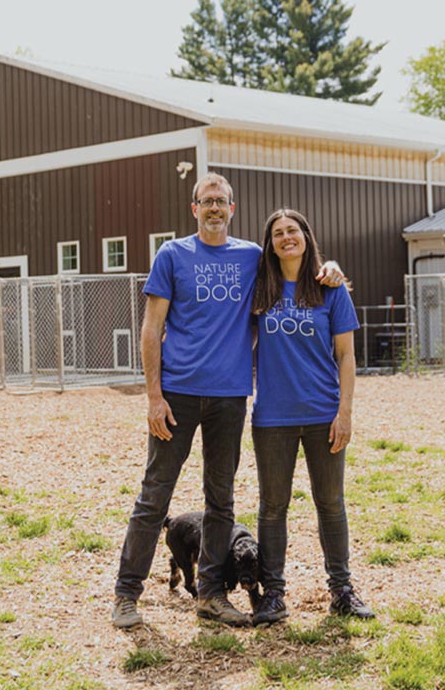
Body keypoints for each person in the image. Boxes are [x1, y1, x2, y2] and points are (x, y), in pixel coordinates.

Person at [111, 174, 342, 629]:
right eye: (206, 201)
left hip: (230, 397)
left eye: (222, 201)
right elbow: (151, 328)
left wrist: (330, 266)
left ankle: (211, 594)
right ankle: (126, 593)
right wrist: (153, 396)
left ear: (233, 209)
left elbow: (296, 263)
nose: (214, 208)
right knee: (155, 495)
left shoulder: (252, 258)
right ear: (193, 208)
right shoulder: (172, 255)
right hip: (177, 395)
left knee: (221, 501)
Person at [248, 208, 375, 625]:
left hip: (324, 414)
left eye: (293, 230)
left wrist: (346, 413)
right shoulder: (258, 288)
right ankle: (273, 594)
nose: (287, 237)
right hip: (273, 417)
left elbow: (346, 355)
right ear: (270, 243)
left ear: (306, 235)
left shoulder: (330, 288)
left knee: (331, 504)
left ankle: (341, 589)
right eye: (278, 233)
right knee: (272, 507)